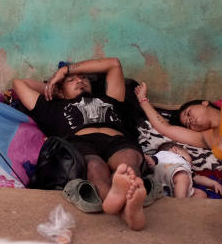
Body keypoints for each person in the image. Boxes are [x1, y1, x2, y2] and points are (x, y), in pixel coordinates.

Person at [12, 57, 146, 230]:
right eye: (72, 80)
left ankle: (124, 199)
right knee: (94, 167)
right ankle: (126, 209)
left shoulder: (112, 98)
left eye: (83, 78)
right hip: (81, 142)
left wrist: (66, 72)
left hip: (117, 140)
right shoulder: (52, 107)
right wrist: (51, 87)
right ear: (59, 91)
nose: (79, 80)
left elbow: (114, 64)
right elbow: (18, 83)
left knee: (128, 162)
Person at [146, 141, 222, 199]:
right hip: (168, 173)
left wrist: (214, 183)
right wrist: (150, 159)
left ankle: (184, 205)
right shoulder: (166, 154)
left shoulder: (187, 170)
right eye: (187, 153)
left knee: (202, 193)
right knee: (182, 177)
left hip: (170, 189)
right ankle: (180, 205)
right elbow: (153, 159)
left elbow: (198, 178)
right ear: (175, 150)